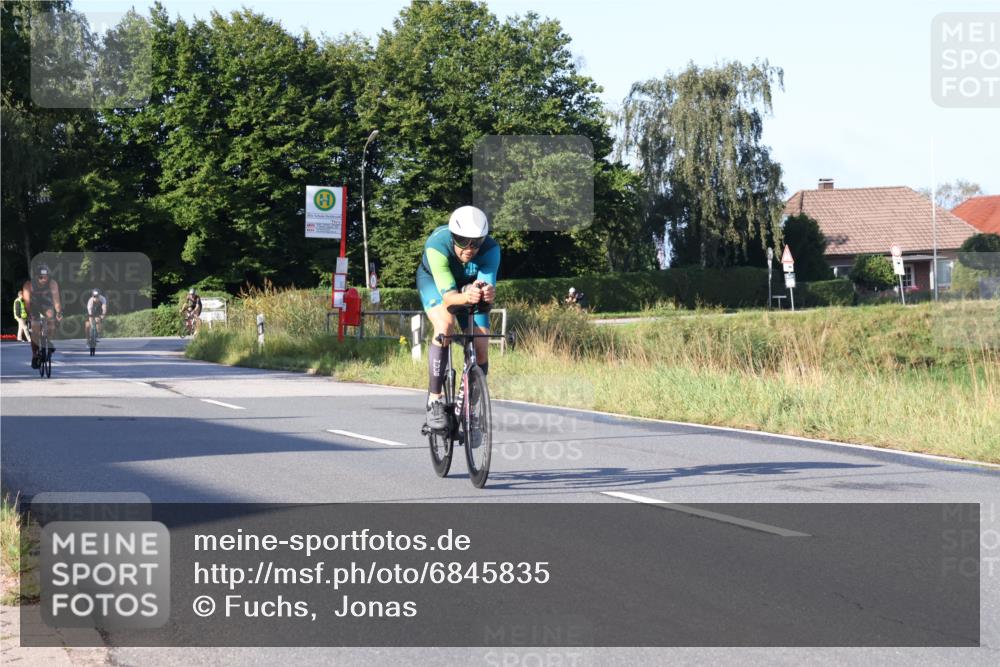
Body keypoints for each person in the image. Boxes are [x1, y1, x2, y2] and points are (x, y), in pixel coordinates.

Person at [416, 206, 500, 430]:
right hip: (436, 284)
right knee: (445, 326)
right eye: (463, 241)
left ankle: (470, 406)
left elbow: (484, 290)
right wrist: (467, 295)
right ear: (453, 236)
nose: (470, 249)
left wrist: (487, 295)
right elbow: (450, 298)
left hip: (467, 286)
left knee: (481, 345)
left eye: (476, 242)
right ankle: (434, 399)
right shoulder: (437, 245)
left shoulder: (491, 249)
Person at [22, 264, 62, 369]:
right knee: (35, 330)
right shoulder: (29, 285)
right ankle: (35, 355)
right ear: (35, 276)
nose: (44, 279)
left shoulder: (52, 283)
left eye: (46, 277)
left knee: (51, 319)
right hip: (33, 305)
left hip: (46, 304)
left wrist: (58, 312)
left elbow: (56, 299)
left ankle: (48, 341)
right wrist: (29, 315)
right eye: (41, 277)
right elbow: (27, 303)